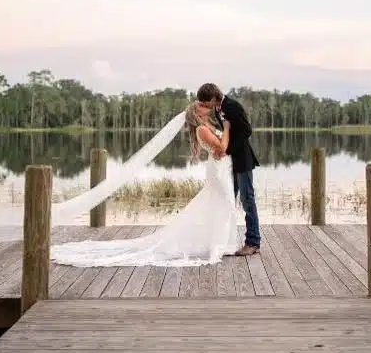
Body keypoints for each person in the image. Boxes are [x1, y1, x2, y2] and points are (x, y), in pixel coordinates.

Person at [48, 101, 240, 267]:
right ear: (197, 113)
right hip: (218, 169)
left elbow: (222, 147)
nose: (205, 106)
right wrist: (227, 127)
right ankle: (218, 243)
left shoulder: (207, 126)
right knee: (220, 201)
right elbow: (222, 147)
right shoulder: (202, 129)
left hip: (221, 168)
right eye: (201, 105)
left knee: (219, 203)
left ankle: (220, 240)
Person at [196, 83, 261, 256]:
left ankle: (253, 242)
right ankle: (223, 241)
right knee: (227, 200)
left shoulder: (232, 106)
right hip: (229, 163)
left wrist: (228, 149)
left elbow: (247, 130)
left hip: (242, 160)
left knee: (247, 199)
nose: (204, 105)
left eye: (205, 101)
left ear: (213, 97)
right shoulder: (218, 108)